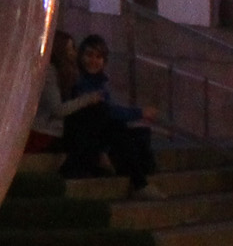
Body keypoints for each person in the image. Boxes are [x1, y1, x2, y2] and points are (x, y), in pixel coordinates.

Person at [57, 35, 159, 196]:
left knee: (136, 133)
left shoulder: (100, 83)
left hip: (96, 133)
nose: (93, 61)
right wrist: (139, 113)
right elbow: (107, 112)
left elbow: (109, 113)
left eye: (98, 57)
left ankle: (138, 178)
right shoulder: (78, 80)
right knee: (116, 124)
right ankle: (139, 183)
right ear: (81, 56)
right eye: (89, 55)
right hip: (78, 135)